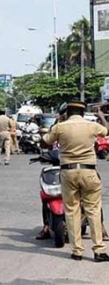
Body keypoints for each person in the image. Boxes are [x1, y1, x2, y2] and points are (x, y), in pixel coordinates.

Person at [42, 101, 109, 262]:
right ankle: (99, 250)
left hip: (68, 172)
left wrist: (57, 122)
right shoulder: (92, 125)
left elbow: (45, 142)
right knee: (93, 209)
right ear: (82, 112)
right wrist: (101, 117)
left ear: (67, 112)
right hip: (89, 171)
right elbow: (107, 131)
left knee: (72, 211)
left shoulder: (61, 127)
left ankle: (77, 251)